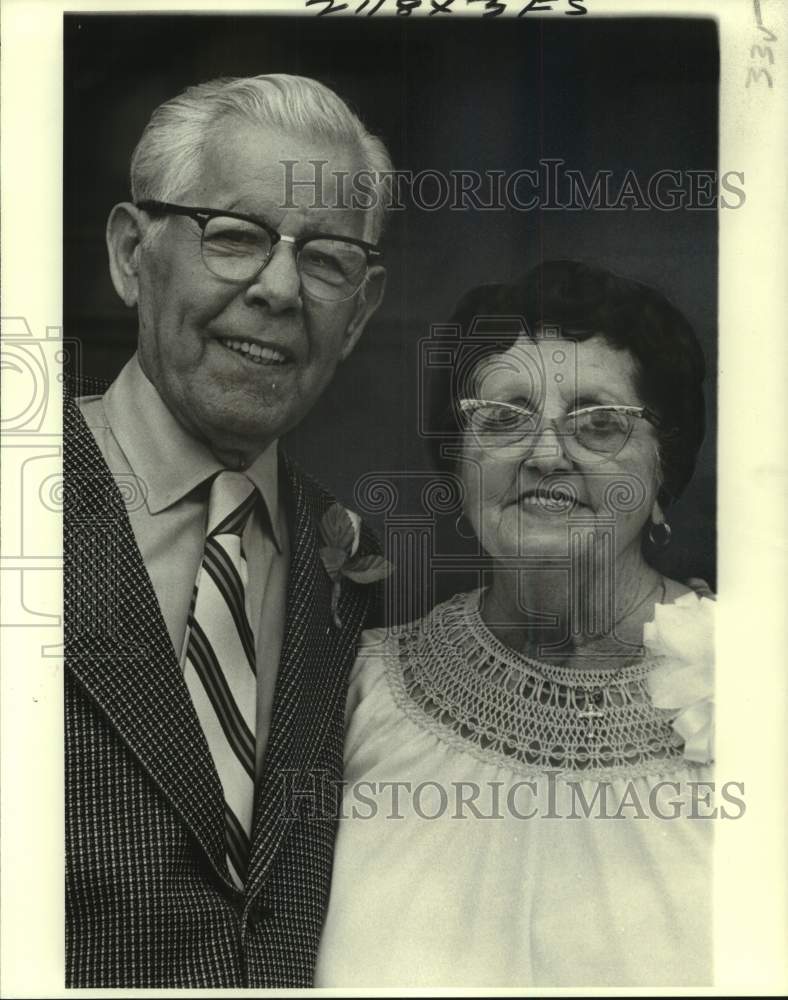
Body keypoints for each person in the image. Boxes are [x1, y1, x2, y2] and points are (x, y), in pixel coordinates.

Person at [64, 74, 391, 988]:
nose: (279, 289)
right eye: (235, 237)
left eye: (325, 259)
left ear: (361, 311)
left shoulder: (355, 567)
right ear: (132, 254)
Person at [315, 260, 716, 987]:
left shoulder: (757, 696)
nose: (544, 455)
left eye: (599, 425)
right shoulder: (359, 693)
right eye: (503, 419)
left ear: (666, 472)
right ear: (460, 467)